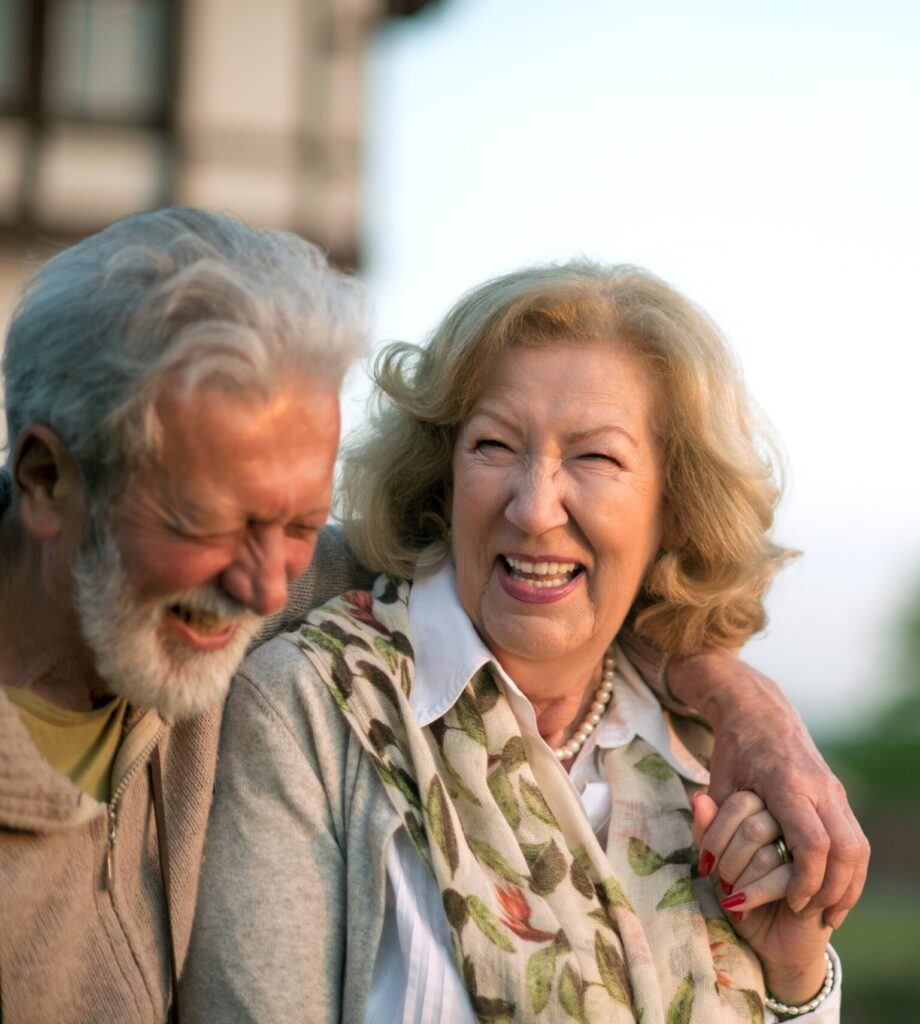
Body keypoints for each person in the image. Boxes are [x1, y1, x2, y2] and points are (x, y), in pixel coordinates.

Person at [184, 261, 855, 1023]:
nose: (535, 508)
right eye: (494, 446)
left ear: (674, 509)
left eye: (595, 457)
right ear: (443, 477)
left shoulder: (709, 754)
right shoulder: (309, 709)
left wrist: (793, 973)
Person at [0, 208, 368, 1023]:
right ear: (45, 479)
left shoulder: (254, 593)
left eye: (303, 524)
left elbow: (525, 571)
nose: (272, 590)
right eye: (209, 525)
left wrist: (714, 687)